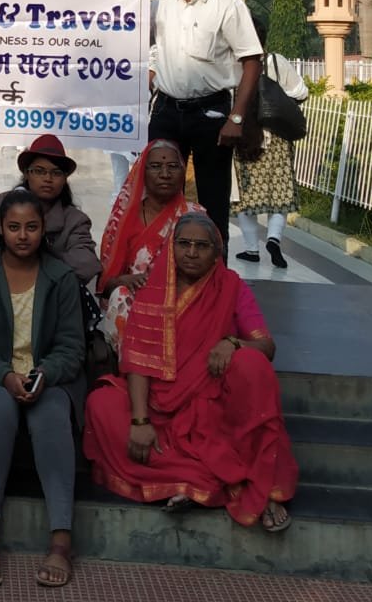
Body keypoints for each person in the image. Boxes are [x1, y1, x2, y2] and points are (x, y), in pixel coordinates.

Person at [84, 212, 298, 533]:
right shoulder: (153, 289)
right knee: (101, 404)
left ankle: (243, 483)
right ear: (172, 248)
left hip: (210, 407)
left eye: (202, 246)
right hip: (157, 408)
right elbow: (139, 362)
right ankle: (206, 479)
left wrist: (233, 343)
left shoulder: (231, 287)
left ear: (217, 252)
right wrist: (140, 422)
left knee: (251, 365)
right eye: (184, 244)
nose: (192, 253)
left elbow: (266, 346)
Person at [0, 189, 85, 588]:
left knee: (52, 420)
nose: (23, 235)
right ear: (0, 228)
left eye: (31, 227)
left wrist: (45, 373)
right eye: (14, 227)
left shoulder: (60, 276)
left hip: (50, 378)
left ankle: (61, 537)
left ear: (44, 229)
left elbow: (72, 346)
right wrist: (4, 375)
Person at [148, 0, 263, 250]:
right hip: (167, 110)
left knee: (213, 201)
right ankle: (160, 269)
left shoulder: (227, 5)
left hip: (210, 111)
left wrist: (236, 117)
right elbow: (126, 34)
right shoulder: (160, 5)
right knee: (158, 194)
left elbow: (252, 61)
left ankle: (215, 277)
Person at [97, 139, 204, 355]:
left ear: (183, 172)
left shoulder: (196, 216)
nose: (165, 174)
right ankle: (132, 367)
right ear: (142, 173)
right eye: (155, 166)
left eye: (172, 166)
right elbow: (105, 287)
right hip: (135, 304)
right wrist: (122, 281)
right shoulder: (124, 218)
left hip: (181, 303)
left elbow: (210, 275)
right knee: (120, 296)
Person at [0, 134, 100, 283]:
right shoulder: (0, 205)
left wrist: (35, 261)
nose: (48, 179)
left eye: (56, 173)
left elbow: (86, 266)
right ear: (27, 173)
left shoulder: (75, 220)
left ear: (65, 178)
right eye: (39, 171)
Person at [233, 19, 309, 269]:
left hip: (243, 137)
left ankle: (251, 249)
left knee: (244, 197)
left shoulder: (230, 65)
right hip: (276, 138)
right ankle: (274, 239)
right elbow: (301, 92)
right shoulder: (276, 61)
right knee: (280, 193)